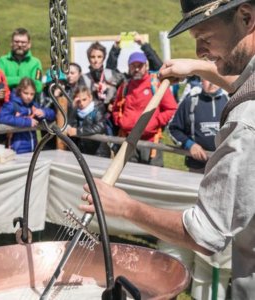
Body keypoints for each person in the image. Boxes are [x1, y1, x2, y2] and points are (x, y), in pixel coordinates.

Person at [80, 1, 255, 299]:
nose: (201, 50)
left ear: (246, 17)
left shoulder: (246, 122)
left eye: (205, 37)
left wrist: (124, 207)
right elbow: (244, 85)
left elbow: (205, 233)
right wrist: (197, 68)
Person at [112, 51, 177, 166]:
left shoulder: (156, 84)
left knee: (153, 177)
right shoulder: (125, 87)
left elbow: (171, 108)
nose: (136, 69)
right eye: (133, 66)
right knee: (129, 176)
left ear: (146, 66)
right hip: (128, 141)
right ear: (129, 67)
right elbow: (116, 108)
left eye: (140, 66)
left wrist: (156, 121)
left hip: (151, 141)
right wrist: (122, 121)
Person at [169, 78, 228, 173]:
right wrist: (190, 145)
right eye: (207, 77)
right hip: (197, 166)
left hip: (225, 167)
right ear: (201, 80)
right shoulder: (190, 102)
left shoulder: (229, 101)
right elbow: (173, 129)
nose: (212, 81)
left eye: (214, 77)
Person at [0, 77, 55, 154]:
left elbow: (53, 114)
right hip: (16, 150)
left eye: (32, 94)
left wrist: (43, 112)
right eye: (26, 93)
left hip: (33, 148)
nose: (29, 96)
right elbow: (2, 117)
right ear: (20, 91)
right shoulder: (12, 104)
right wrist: (27, 122)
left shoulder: (33, 105)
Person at [65, 85, 111, 158]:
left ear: (90, 97)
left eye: (84, 99)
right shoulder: (77, 111)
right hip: (83, 151)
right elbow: (70, 125)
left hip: (98, 152)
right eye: (79, 101)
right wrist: (74, 108)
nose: (82, 103)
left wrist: (78, 131)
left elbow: (100, 127)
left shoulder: (97, 109)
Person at [0, 28, 43, 97]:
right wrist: (23, 79)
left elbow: (38, 86)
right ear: (11, 43)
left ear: (29, 44)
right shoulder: (2, 61)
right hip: (6, 102)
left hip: (28, 104)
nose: (19, 45)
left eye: (23, 42)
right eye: (16, 42)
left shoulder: (36, 63)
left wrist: (9, 80)